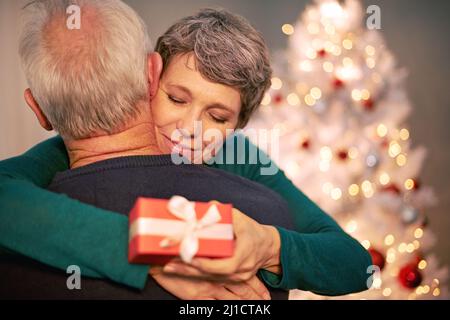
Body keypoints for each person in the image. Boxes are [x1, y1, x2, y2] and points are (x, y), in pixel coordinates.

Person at [0, 1, 372, 299]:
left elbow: (356, 264)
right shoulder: (64, 152)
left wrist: (269, 245)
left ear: (238, 126)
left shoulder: (238, 157)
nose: (189, 129)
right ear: (150, 80)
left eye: (218, 117)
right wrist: (154, 250)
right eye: (176, 98)